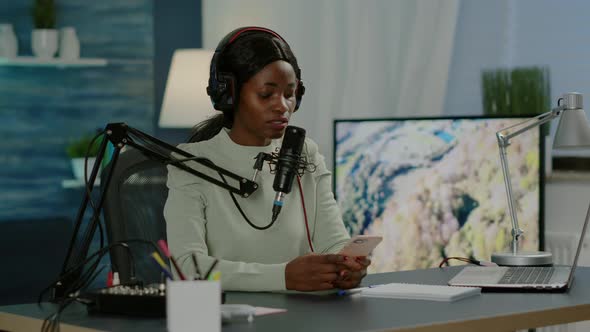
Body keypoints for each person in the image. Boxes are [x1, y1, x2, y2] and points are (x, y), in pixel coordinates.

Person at [164, 26, 370, 292]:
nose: (282, 106)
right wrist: (282, 277)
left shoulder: (305, 153)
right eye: (266, 94)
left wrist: (346, 266)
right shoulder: (192, 164)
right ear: (230, 94)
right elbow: (187, 268)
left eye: (290, 94)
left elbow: (332, 242)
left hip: (305, 315)